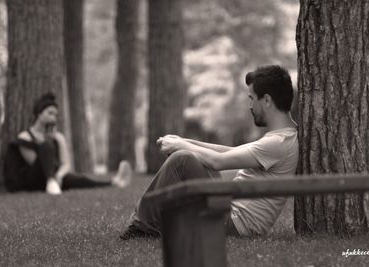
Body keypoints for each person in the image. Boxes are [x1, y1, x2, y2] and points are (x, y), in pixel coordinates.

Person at [120, 65, 298, 239]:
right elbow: (231, 152)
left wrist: (180, 147)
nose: (250, 106)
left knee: (182, 159)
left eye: (252, 98)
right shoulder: (282, 138)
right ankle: (148, 222)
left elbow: (218, 162)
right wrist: (184, 141)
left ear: (267, 100)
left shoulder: (278, 142)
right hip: (229, 211)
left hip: (236, 225)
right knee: (188, 156)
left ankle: (142, 227)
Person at [9, 93, 132, 195]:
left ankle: (115, 182)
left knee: (79, 179)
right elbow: (35, 163)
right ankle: (51, 183)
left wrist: (59, 175)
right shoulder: (24, 137)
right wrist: (46, 145)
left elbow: (65, 164)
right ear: (39, 114)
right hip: (34, 180)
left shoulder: (59, 137)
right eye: (50, 113)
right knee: (46, 147)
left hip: (56, 177)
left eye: (56, 115)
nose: (53, 117)